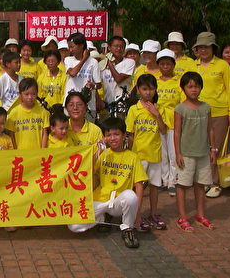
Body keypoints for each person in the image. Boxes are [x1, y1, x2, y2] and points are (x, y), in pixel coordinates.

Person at [68, 117, 145, 249]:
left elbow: (139, 185)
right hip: (100, 199)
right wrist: (98, 151)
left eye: (116, 134)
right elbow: (87, 170)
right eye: (108, 135)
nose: (112, 138)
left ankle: (128, 228)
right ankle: (102, 218)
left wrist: (137, 214)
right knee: (74, 226)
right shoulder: (103, 154)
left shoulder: (133, 157)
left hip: (119, 202)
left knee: (130, 196)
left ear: (124, 135)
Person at [192, 32, 230, 199]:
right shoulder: (193, 65)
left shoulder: (222, 65)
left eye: (207, 47)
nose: (203, 50)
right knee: (202, 149)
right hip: (197, 113)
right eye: (200, 47)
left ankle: (215, 183)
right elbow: (185, 89)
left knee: (215, 148)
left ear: (213, 48)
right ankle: (205, 180)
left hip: (219, 112)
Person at [174, 72, 216, 231]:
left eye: (197, 86)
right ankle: (182, 217)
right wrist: (178, 153)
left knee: (201, 184)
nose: (193, 90)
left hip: (203, 152)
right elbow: (177, 132)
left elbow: (210, 129)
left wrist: (213, 149)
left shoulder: (206, 107)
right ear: (183, 88)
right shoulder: (180, 108)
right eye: (190, 86)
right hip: (186, 153)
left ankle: (200, 214)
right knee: (182, 185)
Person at [126, 73, 167, 232]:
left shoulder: (159, 108)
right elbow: (130, 134)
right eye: (144, 89)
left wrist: (157, 115)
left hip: (155, 154)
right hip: (139, 155)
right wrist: (130, 153)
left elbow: (163, 130)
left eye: (151, 89)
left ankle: (153, 214)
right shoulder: (133, 109)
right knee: (139, 187)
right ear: (138, 89)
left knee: (155, 186)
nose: (148, 92)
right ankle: (136, 216)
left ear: (155, 90)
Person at [155, 49, 182, 197]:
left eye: (168, 64)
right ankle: (164, 179)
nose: (165, 66)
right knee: (162, 153)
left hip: (173, 121)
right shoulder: (154, 80)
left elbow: (182, 102)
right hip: (157, 120)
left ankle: (173, 181)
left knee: (173, 153)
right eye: (162, 64)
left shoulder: (179, 81)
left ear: (173, 65)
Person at [65, 32, 101, 119]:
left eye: (72, 47)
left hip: (89, 105)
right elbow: (73, 73)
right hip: (70, 104)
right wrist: (84, 59)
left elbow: (99, 84)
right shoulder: (68, 60)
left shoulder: (93, 62)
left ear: (81, 46)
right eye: (69, 47)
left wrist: (93, 85)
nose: (70, 50)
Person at [6, 78, 49, 150]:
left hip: (38, 152)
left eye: (33, 94)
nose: (30, 97)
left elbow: (45, 133)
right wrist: (15, 150)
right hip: (20, 153)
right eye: (26, 94)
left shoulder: (43, 112)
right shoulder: (13, 113)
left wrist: (42, 150)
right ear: (20, 94)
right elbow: (11, 135)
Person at [100, 36, 135, 112]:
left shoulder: (129, 62)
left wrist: (109, 64)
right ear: (109, 47)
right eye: (116, 46)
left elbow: (118, 79)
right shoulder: (102, 65)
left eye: (121, 47)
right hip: (107, 105)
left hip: (122, 105)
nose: (118, 49)